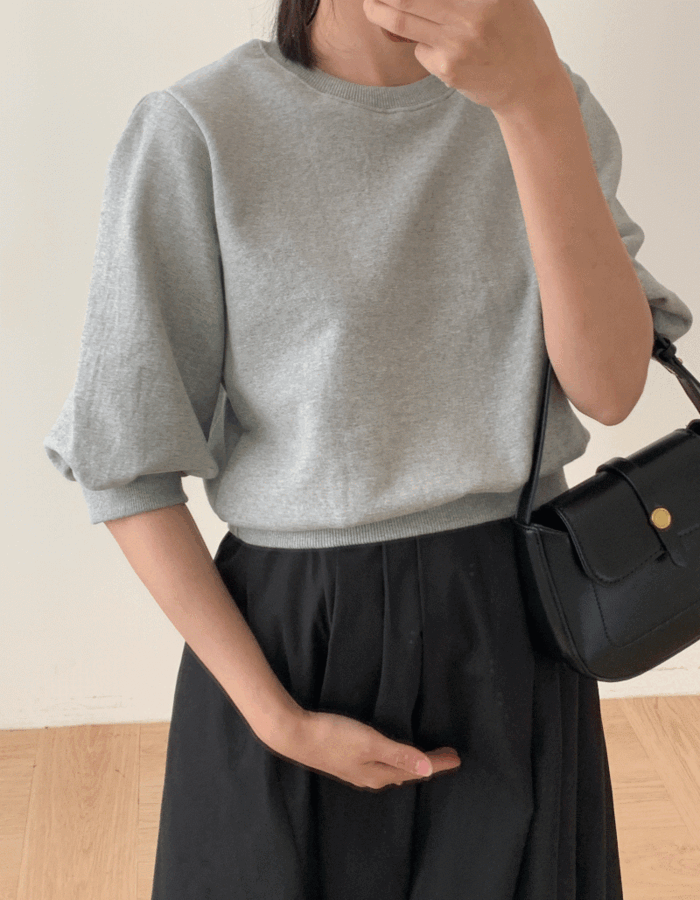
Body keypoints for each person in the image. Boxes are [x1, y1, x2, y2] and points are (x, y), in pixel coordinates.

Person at [43, 0, 693, 897]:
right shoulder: (199, 127)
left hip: (517, 621)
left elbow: (610, 388)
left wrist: (534, 103)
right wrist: (280, 721)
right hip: (294, 648)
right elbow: (126, 465)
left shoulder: (546, 102)